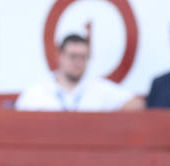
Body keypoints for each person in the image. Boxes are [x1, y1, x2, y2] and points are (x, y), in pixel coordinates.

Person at [15, 34, 143, 112]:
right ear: (60, 56)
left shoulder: (99, 88)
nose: (78, 62)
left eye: (83, 57)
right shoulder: (36, 92)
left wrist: (106, 122)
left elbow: (137, 104)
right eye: (73, 56)